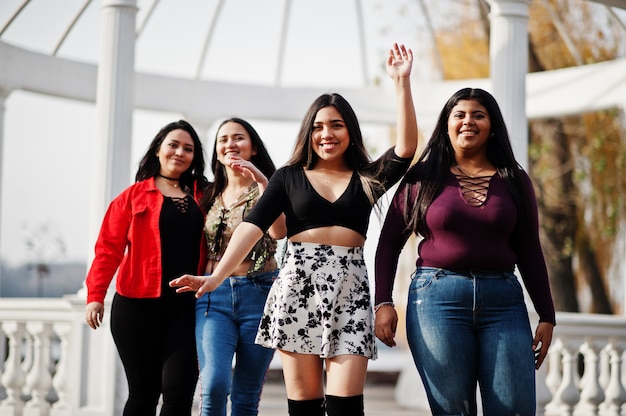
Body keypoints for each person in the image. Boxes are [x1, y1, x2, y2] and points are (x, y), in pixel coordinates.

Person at [170, 42, 417, 416]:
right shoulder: (287, 177)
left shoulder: (368, 178)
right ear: (308, 132)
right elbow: (251, 228)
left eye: (336, 125)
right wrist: (215, 278)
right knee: (304, 408)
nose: (326, 134)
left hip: (350, 292)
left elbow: (406, 149)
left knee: (347, 407)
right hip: (297, 286)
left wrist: (401, 83)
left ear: (350, 131)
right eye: (318, 127)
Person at [374, 87, 556, 416]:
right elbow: (388, 242)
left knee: (514, 409)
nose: (467, 121)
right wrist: (383, 302)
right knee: (454, 411)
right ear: (446, 124)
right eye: (459, 115)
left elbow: (529, 247)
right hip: (436, 301)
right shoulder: (422, 177)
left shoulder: (514, 179)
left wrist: (547, 314)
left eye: (478, 115)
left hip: (503, 303)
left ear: (492, 126)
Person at [84, 120, 209, 416]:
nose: (180, 152)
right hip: (136, 309)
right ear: (157, 150)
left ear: (195, 156)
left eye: (188, 148)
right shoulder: (131, 197)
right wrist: (95, 295)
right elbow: (107, 250)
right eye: (173, 145)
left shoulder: (205, 195)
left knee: (178, 397)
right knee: (143, 394)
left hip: (186, 309)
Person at [196, 117, 287, 416]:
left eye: (238, 138)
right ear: (217, 151)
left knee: (246, 395)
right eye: (223, 139)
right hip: (214, 295)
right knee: (213, 386)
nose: (230, 144)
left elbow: (279, 231)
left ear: (253, 148)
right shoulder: (207, 194)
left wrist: (263, 182)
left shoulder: (272, 186)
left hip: (260, 294)